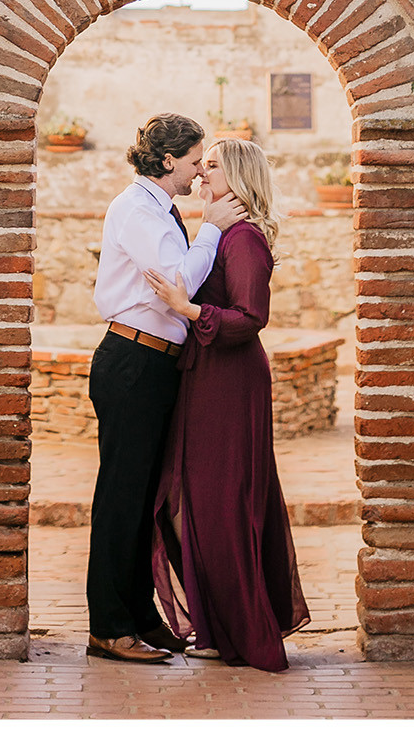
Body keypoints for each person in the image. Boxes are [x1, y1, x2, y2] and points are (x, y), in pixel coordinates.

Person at [85, 112, 245, 665]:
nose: (203, 171)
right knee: (121, 499)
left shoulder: (159, 208)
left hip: (154, 364)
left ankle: (140, 616)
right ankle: (107, 627)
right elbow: (178, 279)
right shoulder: (135, 208)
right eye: (198, 160)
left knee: (145, 500)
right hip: (132, 360)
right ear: (169, 159)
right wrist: (214, 227)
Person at [144, 135, 309, 667]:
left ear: (237, 178)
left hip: (230, 382)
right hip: (207, 376)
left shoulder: (244, 239)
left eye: (211, 167)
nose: (201, 176)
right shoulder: (220, 232)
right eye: (202, 165)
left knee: (221, 504)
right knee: (186, 501)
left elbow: (250, 318)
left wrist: (185, 309)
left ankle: (244, 632)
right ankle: (219, 626)